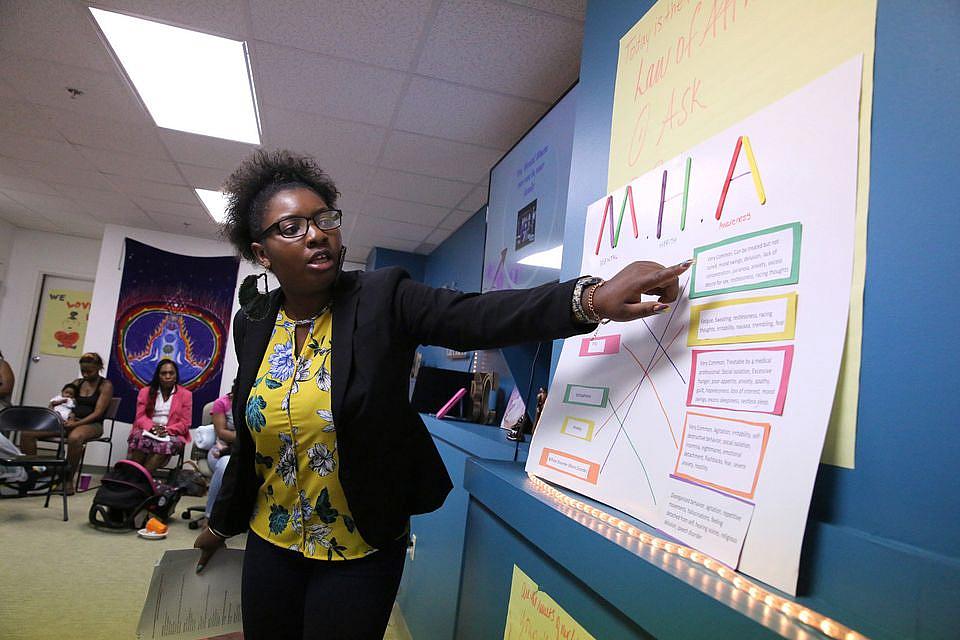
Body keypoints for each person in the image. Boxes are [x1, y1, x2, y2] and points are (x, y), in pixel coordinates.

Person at [193, 149, 691, 640]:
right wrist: (221, 523)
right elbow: (253, 443)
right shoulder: (253, 323)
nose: (317, 234)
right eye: (292, 227)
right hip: (270, 541)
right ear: (262, 253)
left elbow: (475, 316)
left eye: (323, 218)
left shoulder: (383, 298)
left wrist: (588, 299)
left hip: (358, 548)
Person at [20, 352, 114, 494]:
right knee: (28, 434)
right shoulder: (77, 383)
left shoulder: (105, 385)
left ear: (99, 367)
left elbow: (98, 413)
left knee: (75, 438)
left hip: (92, 424)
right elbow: (64, 401)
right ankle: (33, 474)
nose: (86, 374)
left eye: (90, 371)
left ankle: (67, 480)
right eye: (83, 371)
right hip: (69, 421)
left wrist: (76, 424)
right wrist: (55, 408)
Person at [128, 359, 192, 472]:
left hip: (171, 433)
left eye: (171, 373)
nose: (167, 376)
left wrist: (166, 430)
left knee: (164, 446)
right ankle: (138, 477)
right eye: (163, 373)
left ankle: (140, 479)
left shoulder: (186, 395)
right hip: (147, 430)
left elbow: (185, 423)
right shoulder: (145, 392)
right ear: (158, 376)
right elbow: (140, 417)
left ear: (176, 376)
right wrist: (152, 428)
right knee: (140, 440)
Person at [205, 386, 235, 518]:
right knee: (225, 467)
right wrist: (244, 437)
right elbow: (222, 433)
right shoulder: (222, 403)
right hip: (221, 450)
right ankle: (210, 516)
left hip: (244, 452)